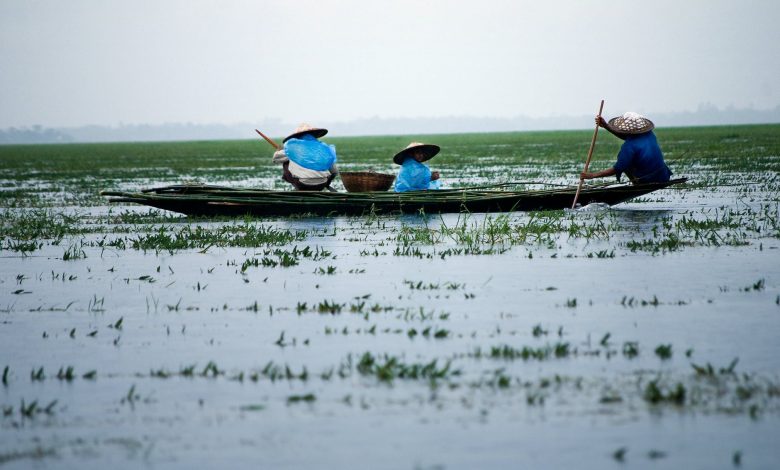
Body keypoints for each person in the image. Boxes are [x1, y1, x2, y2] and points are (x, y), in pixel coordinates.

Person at [580, 112, 672, 184]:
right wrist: (606, 126)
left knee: (626, 164)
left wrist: (591, 175)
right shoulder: (649, 134)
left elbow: (618, 168)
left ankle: (637, 182)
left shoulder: (629, 146)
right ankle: (637, 180)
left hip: (648, 180)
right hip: (663, 176)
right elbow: (628, 137)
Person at [272, 123, 338, 191]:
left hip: (302, 184)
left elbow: (275, 158)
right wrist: (326, 182)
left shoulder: (293, 148)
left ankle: (297, 188)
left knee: (286, 162)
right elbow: (334, 171)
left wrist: (281, 151)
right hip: (322, 184)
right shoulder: (323, 148)